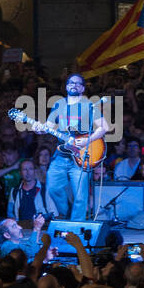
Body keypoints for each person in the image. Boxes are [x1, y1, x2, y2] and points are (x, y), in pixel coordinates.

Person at [36, 74, 110, 221]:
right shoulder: (59, 105)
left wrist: (87, 141)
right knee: (53, 188)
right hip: (61, 156)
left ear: (82, 88)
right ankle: (68, 214)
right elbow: (48, 128)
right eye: (71, 82)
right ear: (66, 86)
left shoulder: (89, 105)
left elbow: (104, 127)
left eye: (77, 83)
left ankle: (76, 227)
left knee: (80, 196)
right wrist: (38, 128)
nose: (74, 85)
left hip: (82, 155)